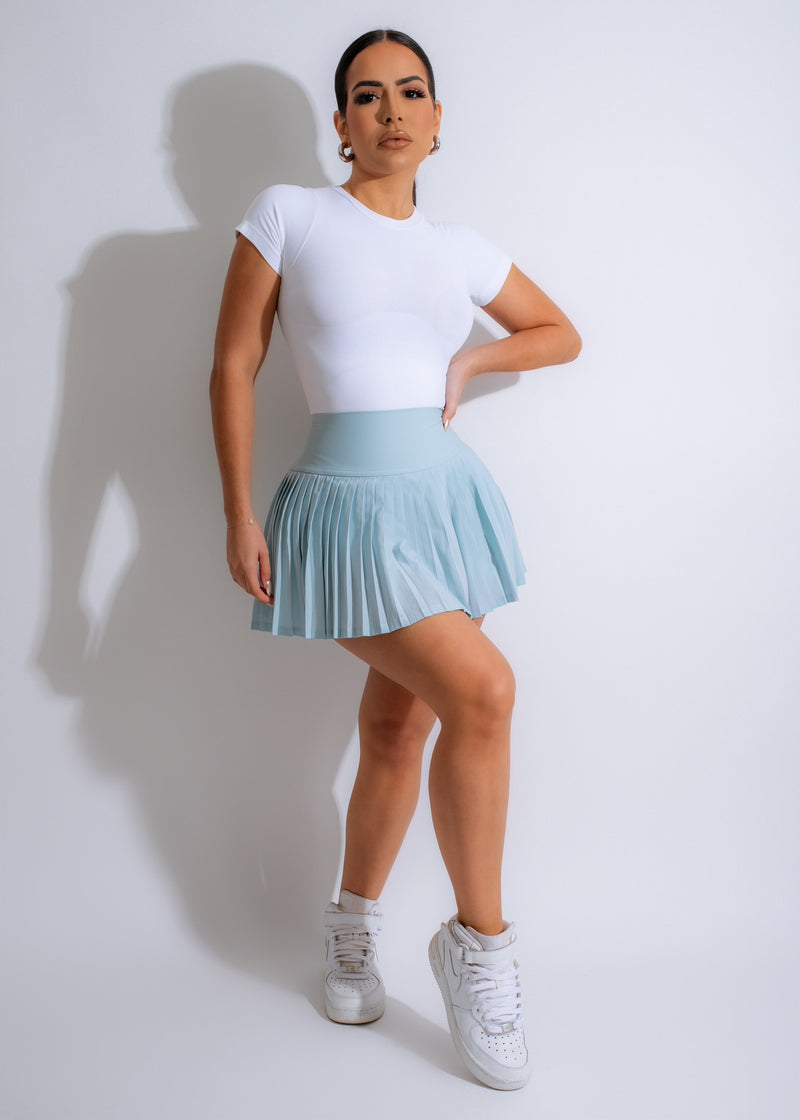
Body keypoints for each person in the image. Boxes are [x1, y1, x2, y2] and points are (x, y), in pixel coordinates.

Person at [209, 28, 581, 1091]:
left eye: (411, 92)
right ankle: (479, 948)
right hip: (342, 508)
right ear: (340, 123)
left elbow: (558, 331)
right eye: (367, 96)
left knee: (395, 728)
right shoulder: (290, 213)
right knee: (485, 693)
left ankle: (350, 930)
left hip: (443, 502)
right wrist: (238, 512)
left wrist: (473, 358)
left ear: (437, 118)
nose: (391, 111)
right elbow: (232, 364)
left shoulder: (457, 246)